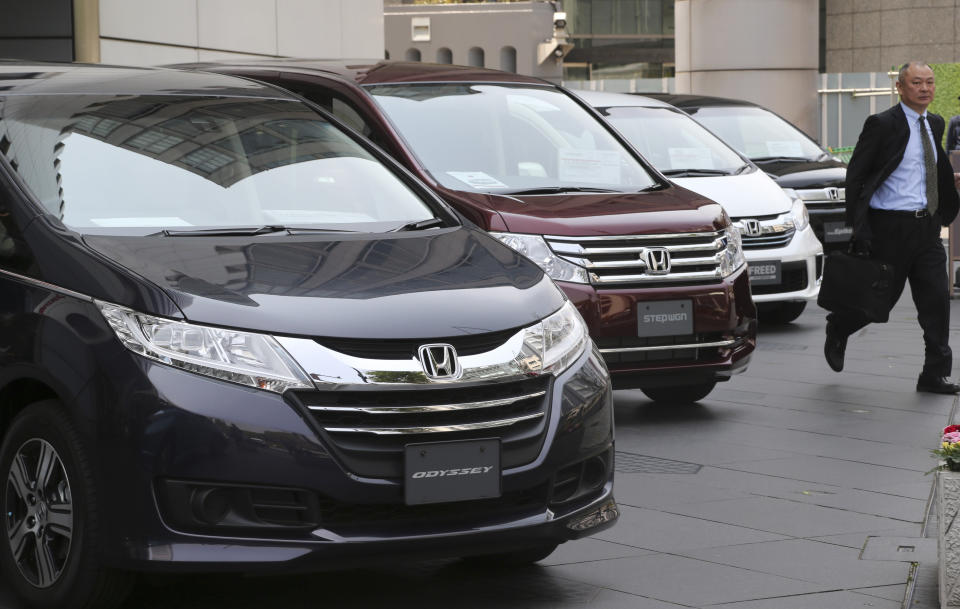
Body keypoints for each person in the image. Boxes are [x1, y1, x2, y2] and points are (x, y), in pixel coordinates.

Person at [824, 61, 960, 393]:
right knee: (876, 303)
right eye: (917, 82)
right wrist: (859, 226)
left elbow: (933, 170)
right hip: (888, 228)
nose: (925, 88)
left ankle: (934, 374)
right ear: (900, 87)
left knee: (936, 303)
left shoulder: (935, 123)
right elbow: (856, 176)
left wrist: (943, 210)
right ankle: (839, 327)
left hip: (926, 229)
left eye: (929, 82)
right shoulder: (882, 124)